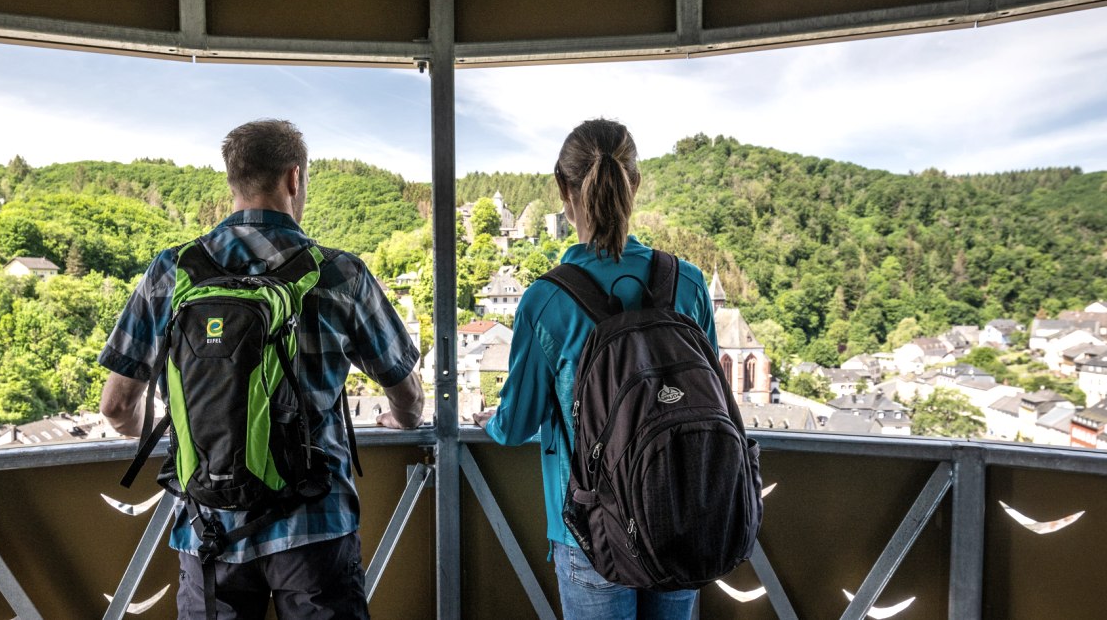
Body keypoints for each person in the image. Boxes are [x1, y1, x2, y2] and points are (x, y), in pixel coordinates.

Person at [98, 119, 424, 620]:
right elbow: (408, 394)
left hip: (208, 525)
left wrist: (195, 437)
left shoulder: (171, 270)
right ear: (294, 179)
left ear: (232, 179)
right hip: (316, 525)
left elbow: (117, 407)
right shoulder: (341, 273)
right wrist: (400, 420)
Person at [475, 119, 718, 620]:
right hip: (684, 516)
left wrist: (489, 422)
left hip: (591, 530)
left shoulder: (549, 300)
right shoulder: (687, 284)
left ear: (563, 189)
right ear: (637, 182)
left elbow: (518, 422)